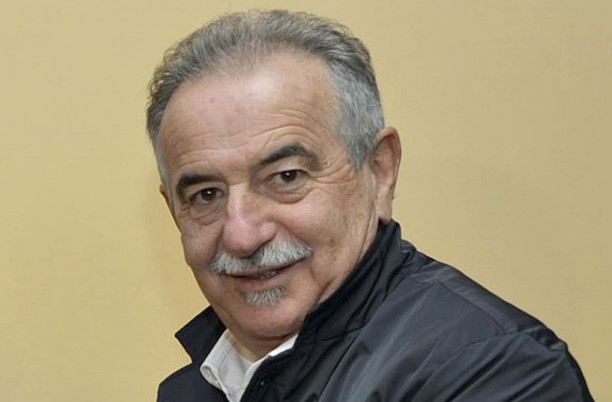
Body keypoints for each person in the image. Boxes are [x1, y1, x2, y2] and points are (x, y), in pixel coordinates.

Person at [146, 9, 594, 402]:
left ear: (380, 171)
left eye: (286, 177)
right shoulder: (198, 385)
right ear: (174, 213)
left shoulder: (498, 371)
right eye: (206, 195)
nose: (242, 235)